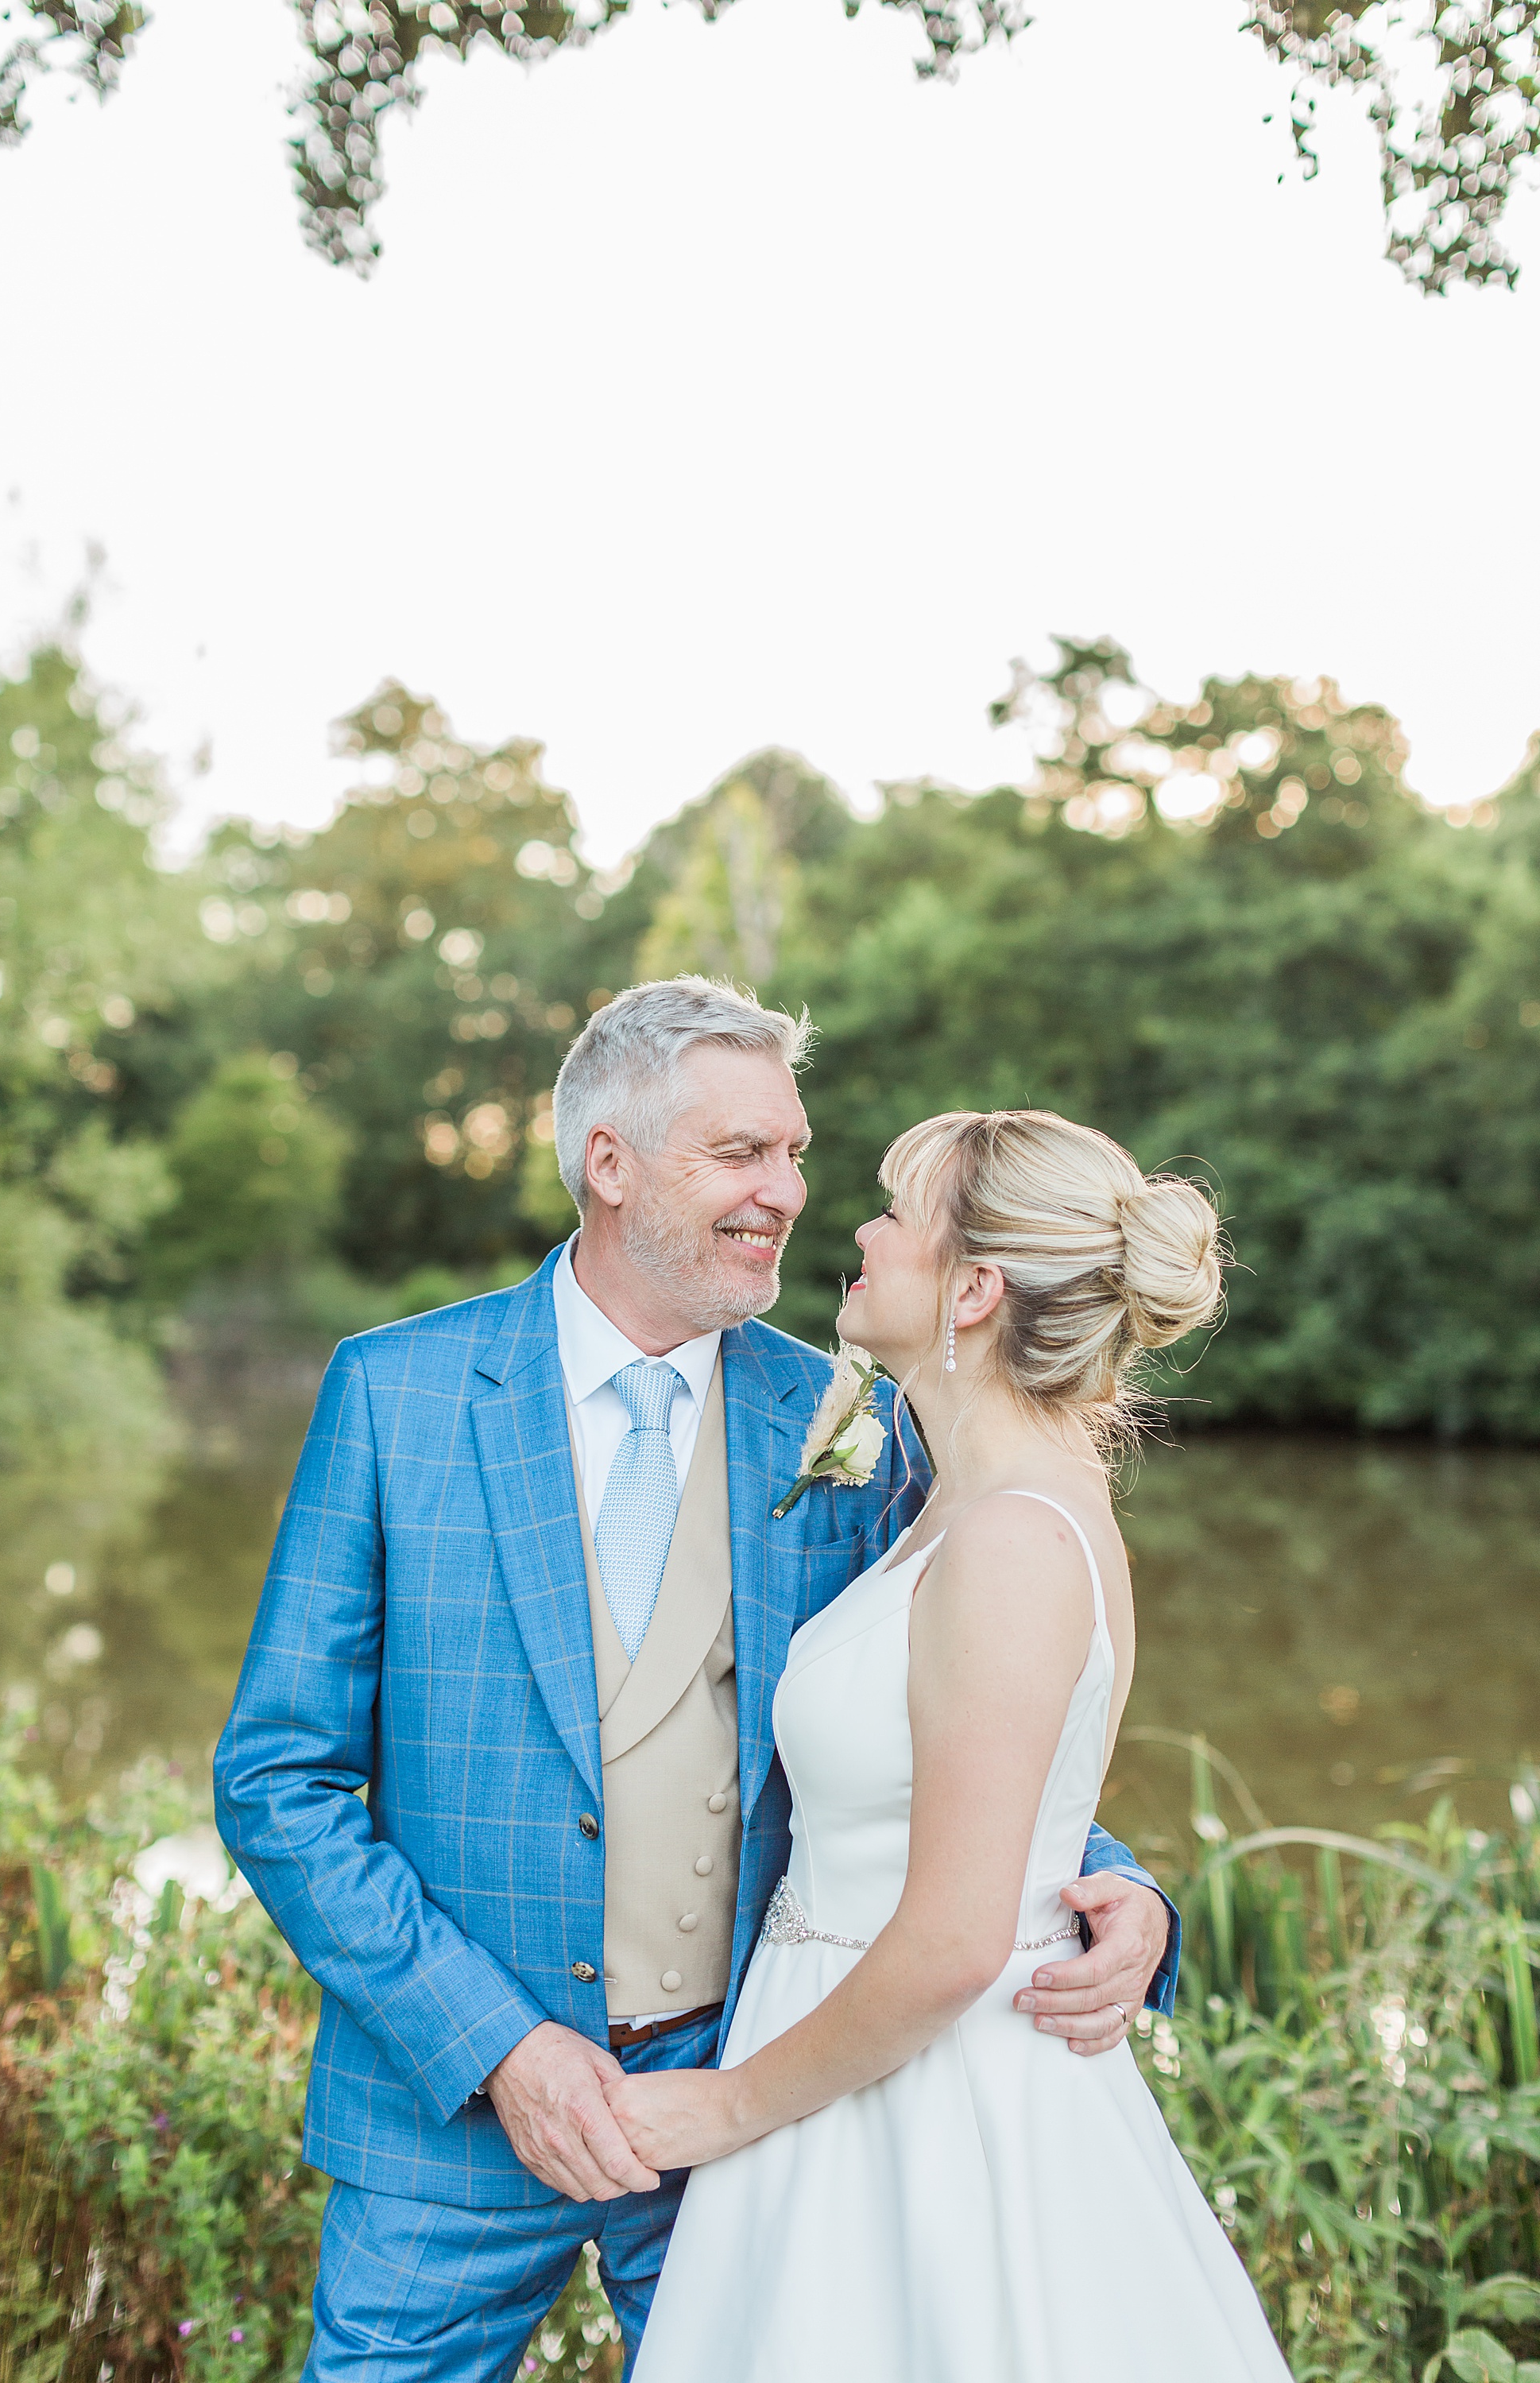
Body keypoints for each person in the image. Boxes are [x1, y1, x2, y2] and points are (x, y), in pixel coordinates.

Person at [213, 982, 1177, 2382]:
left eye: (794, 1152)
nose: (789, 1192)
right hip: (450, 2123)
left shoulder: (854, 1414)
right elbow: (277, 1781)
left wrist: (1115, 1881)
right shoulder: (398, 1395)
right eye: (742, 1154)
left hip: (756, 2100)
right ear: (611, 1163)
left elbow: (954, 1716)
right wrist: (502, 2050)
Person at [619, 1106, 1294, 2382]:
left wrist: (722, 2104)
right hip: (851, 2064)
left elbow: (953, 1936)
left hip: (923, 2106)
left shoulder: (1010, 1543)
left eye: (896, 1209)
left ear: (976, 1287)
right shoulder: (962, 1503)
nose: (859, 1227)